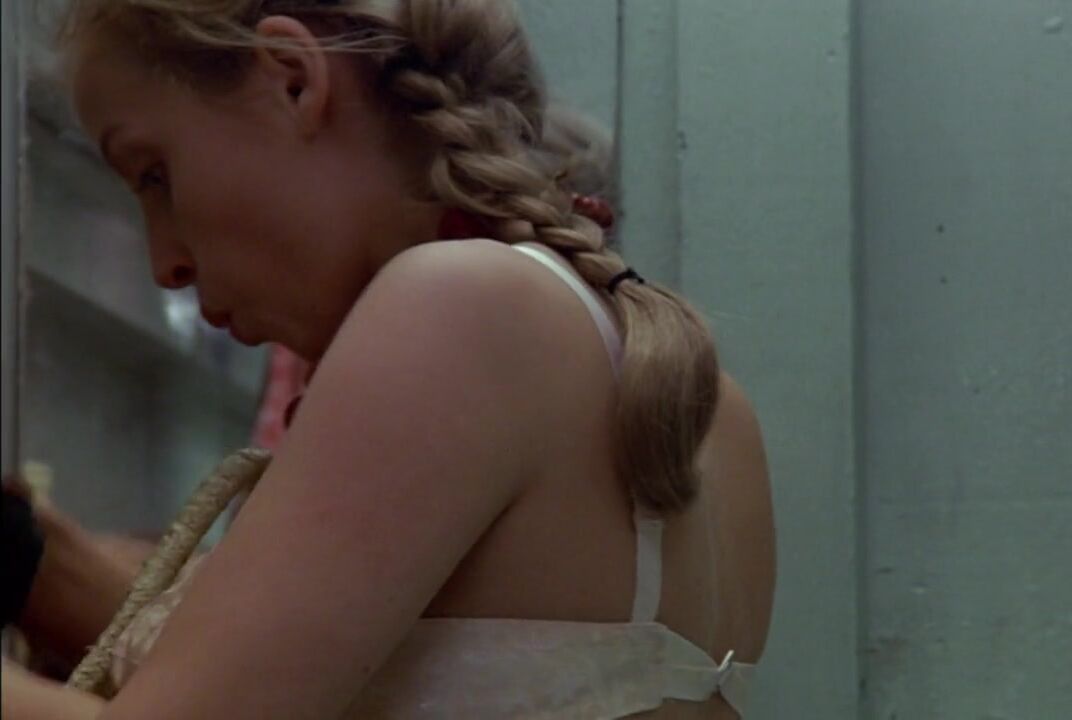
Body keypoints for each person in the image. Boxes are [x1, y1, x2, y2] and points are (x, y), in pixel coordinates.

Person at [15, 0, 777, 717]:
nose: (165, 265)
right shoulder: (719, 411)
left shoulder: (456, 309)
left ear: (292, 79)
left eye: (154, 175)